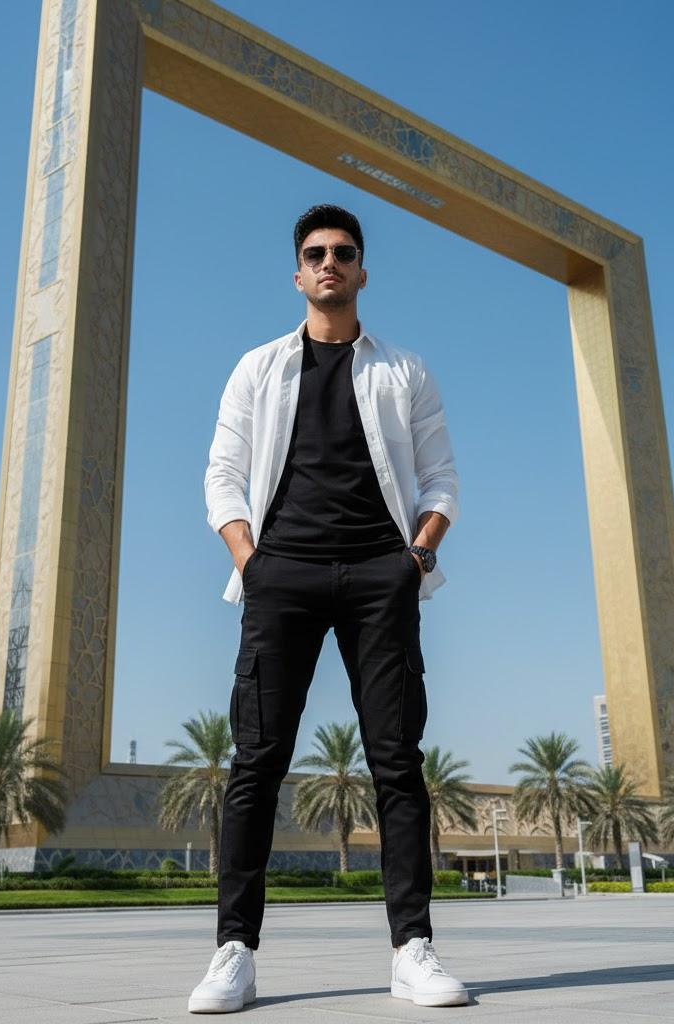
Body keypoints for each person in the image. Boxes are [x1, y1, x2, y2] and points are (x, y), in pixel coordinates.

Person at [189, 204, 465, 1013]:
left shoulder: (402, 370)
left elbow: (442, 477)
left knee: (397, 762)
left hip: (382, 577)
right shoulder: (258, 368)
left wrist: (416, 554)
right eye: (315, 254)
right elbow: (221, 474)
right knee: (256, 762)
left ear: (362, 270)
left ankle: (412, 949)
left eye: (344, 252)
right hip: (283, 577)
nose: (330, 263)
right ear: (299, 273)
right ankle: (233, 952)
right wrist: (252, 560)